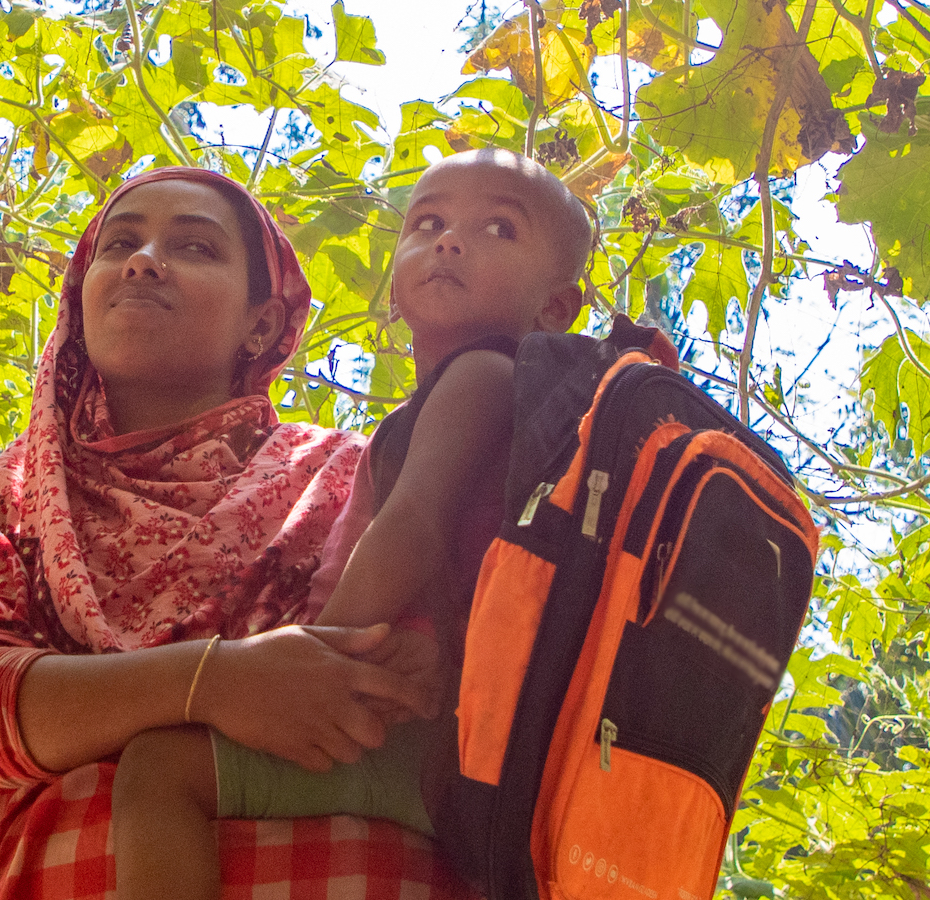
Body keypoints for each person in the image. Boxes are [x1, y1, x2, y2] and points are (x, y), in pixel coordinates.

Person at [0, 167, 470, 900]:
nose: (143, 261)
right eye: (119, 244)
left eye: (196, 247)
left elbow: (425, 688)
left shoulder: (350, 473)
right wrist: (215, 682)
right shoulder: (22, 493)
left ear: (263, 324)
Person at [110, 148, 595, 900]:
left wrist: (314, 659)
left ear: (557, 309)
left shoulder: (484, 376)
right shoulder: (461, 397)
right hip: (435, 726)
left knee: (156, 771)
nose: (450, 241)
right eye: (428, 222)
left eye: (499, 228)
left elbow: (416, 527)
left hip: (409, 728)